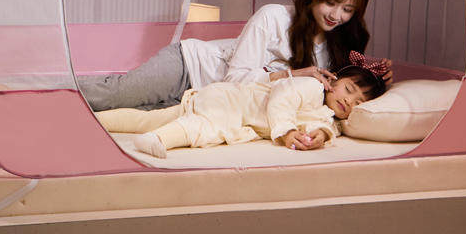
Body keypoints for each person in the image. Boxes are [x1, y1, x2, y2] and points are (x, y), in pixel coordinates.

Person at [78, 0, 392, 112]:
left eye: (347, 9)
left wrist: (379, 79)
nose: (336, 16)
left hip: (208, 102)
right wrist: (292, 74)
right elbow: (235, 79)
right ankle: (53, 92)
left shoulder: (336, 50)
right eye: (331, 3)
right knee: (113, 96)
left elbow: (343, 91)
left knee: (122, 116)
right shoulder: (274, 17)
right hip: (188, 67)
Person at [94, 65, 387, 158]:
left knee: (152, 117)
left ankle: (95, 120)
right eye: (349, 90)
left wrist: (321, 136)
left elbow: (327, 127)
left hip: (228, 104)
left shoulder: (327, 115)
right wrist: (287, 132)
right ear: (332, 80)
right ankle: (158, 139)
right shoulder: (310, 87)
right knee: (207, 128)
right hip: (232, 102)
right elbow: (282, 99)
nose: (349, 102)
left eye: (358, 103)